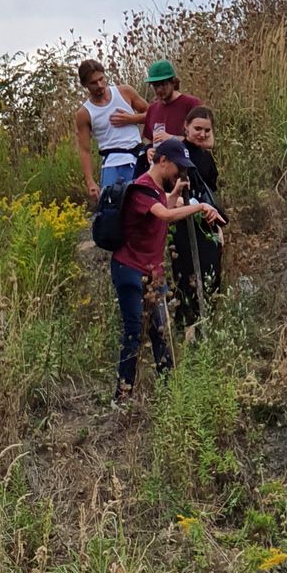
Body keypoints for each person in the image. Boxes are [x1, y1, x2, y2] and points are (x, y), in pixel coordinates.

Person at [110, 139, 223, 401]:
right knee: (134, 330)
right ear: (162, 161)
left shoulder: (159, 189)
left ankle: (168, 390)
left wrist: (177, 194)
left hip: (153, 272)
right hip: (129, 268)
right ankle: (122, 396)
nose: (179, 173)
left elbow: (165, 207)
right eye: (177, 167)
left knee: (161, 330)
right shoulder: (141, 187)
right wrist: (200, 206)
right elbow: (164, 215)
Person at [167, 106, 224, 334]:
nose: (201, 133)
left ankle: (205, 324)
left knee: (212, 272)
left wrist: (220, 228)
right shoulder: (176, 152)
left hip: (207, 220)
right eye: (197, 128)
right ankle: (187, 328)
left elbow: (211, 193)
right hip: (182, 221)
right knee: (185, 275)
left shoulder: (207, 158)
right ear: (186, 127)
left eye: (206, 130)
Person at [76, 59, 147, 205]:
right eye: (93, 83)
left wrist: (132, 119)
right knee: (113, 210)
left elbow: (152, 113)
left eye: (101, 79)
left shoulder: (124, 92)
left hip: (137, 158)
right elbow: (84, 150)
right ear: (85, 85)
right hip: (111, 163)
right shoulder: (84, 113)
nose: (100, 85)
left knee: (144, 204)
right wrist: (90, 182)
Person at [141, 60, 203, 148]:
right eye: (155, 85)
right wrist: (148, 151)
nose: (159, 89)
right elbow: (148, 140)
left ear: (173, 82)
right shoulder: (152, 109)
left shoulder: (191, 104)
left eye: (163, 84)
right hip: (160, 160)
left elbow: (201, 139)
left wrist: (172, 139)